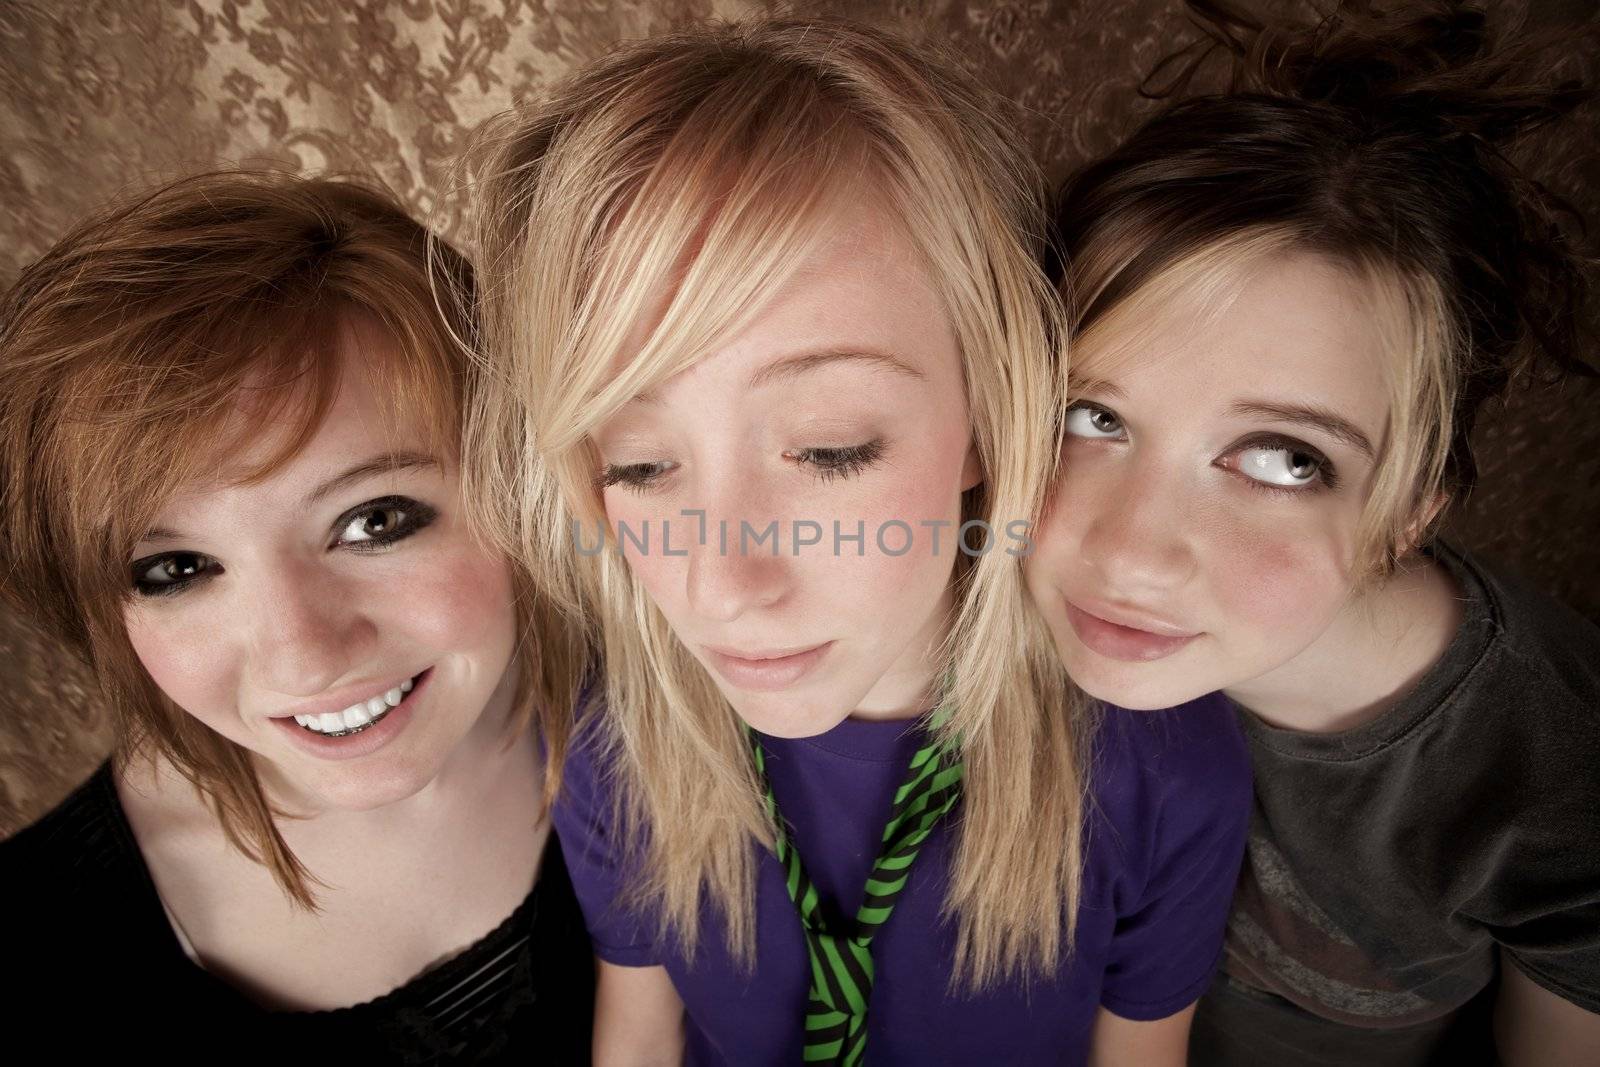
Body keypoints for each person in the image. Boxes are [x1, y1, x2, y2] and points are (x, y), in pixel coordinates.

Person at [457, 17, 1251, 1065]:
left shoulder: (1159, 765)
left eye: (830, 449)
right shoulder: (622, 749)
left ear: (987, 413)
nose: (722, 584)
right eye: (640, 464)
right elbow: (639, 1030)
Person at [1032, 2, 1600, 1063]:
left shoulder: (1555, 777)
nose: (1130, 554)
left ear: (1414, 507)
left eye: (1286, 458)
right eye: (1090, 416)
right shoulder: (977, 595)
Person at [0, 170, 593, 1060]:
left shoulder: (715, 715)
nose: (305, 654)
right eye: (177, 568)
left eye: (375, 520)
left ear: (517, 478)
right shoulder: (31, 954)